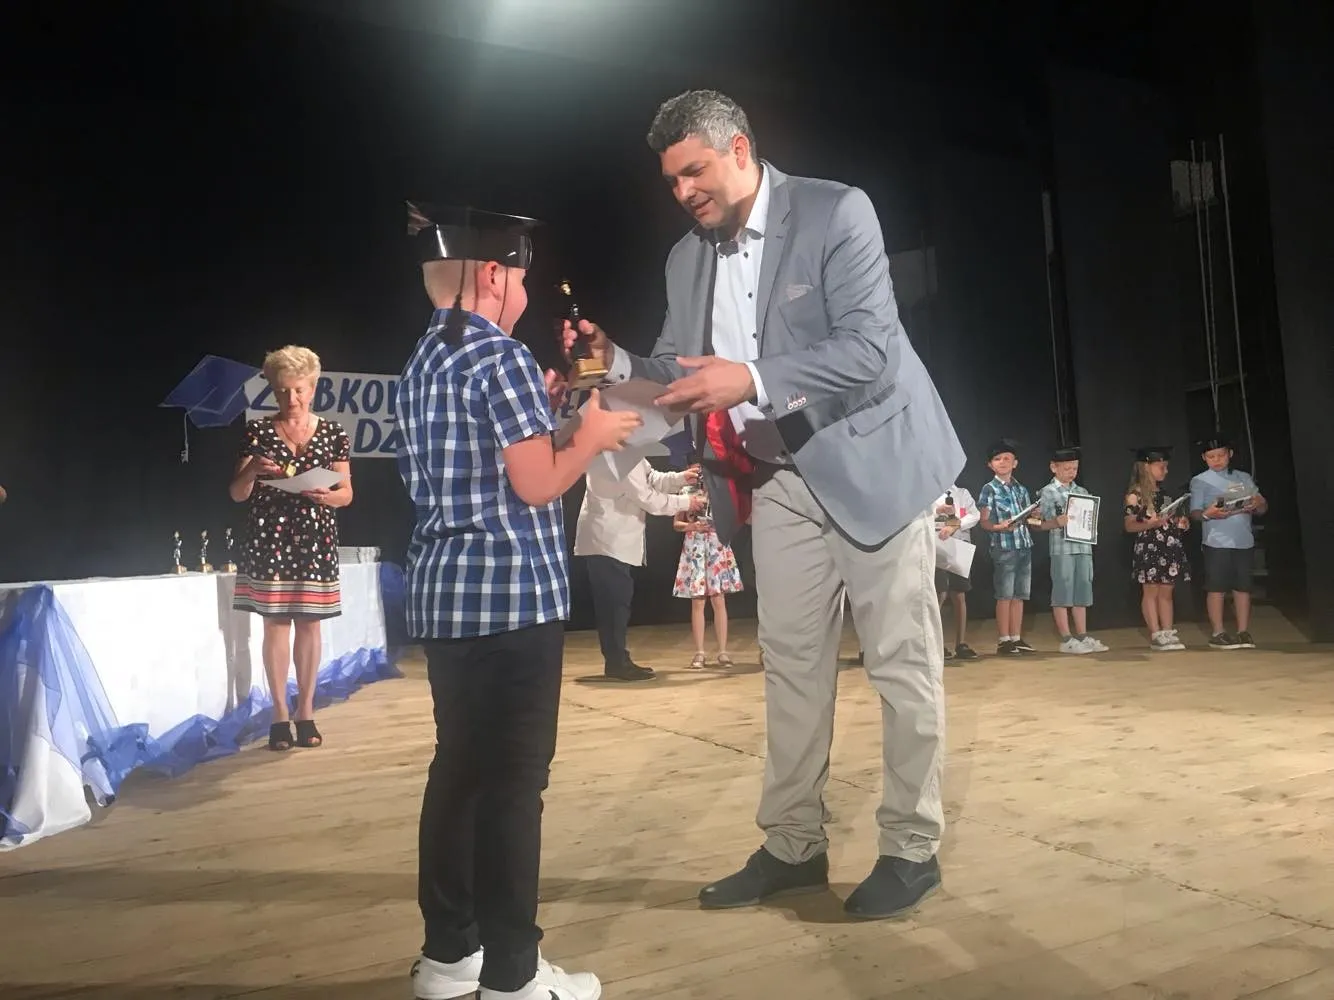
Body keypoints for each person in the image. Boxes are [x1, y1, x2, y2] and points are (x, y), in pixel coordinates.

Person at [563, 90, 964, 920]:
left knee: (900, 663)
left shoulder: (836, 211)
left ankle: (910, 847)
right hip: (777, 477)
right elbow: (679, 372)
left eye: (694, 172)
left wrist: (749, 377)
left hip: (873, 463)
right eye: (671, 181)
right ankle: (793, 846)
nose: (683, 193)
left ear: (739, 150)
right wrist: (617, 361)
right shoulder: (685, 260)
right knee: (790, 666)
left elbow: (870, 348)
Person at [396, 204, 639, 1000]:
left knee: (459, 773)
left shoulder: (424, 358)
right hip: (511, 599)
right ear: (494, 274)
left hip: (447, 597)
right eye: (523, 276)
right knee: (511, 787)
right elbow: (536, 485)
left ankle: (449, 955)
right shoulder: (497, 355)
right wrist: (590, 437)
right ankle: (513, 974)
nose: (528, 291)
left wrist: (555, 412)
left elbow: (489, 462)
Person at [229, 345, 352, 752]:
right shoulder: (258, 431)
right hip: (270, 539)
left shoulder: (334, 432)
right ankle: (280, 713)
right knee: (276, 624)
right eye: (282, 391)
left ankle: (306, 711)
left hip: (316, 538)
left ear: (313, 388)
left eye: (298, 390)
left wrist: (328, 496)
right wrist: (252, 469)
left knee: (310, 624)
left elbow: (347, 493)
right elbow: (238, 493)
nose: (291, 398)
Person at [573, 456, 705, 681]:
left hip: (613, 539)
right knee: (614, 606)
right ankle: (617, 663)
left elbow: (651, 477)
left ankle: (618, 660)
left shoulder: (628, 453)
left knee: (617, 604)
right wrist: (687, 502)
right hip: (608, 539)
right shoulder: (615, 457)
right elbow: (647, 498)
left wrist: (682, 478)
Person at [1190, 435, 1266, 649]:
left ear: (1230, 454)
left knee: (1243, 587)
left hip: (1243, 540)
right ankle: (1218, 632)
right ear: (1204, 458)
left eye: (1221, 455)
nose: (1216, 460)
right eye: (1211, 457)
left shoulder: (1243, 477)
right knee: (1216, 587)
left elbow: (1262, 505)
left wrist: (1257, 505)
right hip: (1216, 541)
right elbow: (1195, 512)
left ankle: (1243, 631)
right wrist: (1209, 513)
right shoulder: (1200, 480)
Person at [1036, 446, 1108, 654]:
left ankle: (1082, 635)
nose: (1071, 472)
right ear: (1054, 468)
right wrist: (1055, 522)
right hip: (1062, 549)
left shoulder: (1082, 492)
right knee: (1063, 590)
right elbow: (1037, 524)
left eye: (1074, 468)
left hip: (1083, 547)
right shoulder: (1047, 492)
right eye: (1066, 468)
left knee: (1082, 590)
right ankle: (1066, 638)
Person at [671, 474, 744, 668]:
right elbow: (676, 524)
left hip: (716, 545)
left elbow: (733, 519)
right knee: (698, 601)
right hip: (695, 546)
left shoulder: (721, 492)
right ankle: (700, 652)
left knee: (719, 599)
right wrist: (692, 526)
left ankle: (723, 652)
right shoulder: (686, 492)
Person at [1124, 445, 1191, 651]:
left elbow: (1172, 518)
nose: (1165, 471)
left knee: (1167, 591)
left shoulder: (1165, 494)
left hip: (1168, 546)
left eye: (1166, 467)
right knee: (1151, 590)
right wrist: (1151, 524)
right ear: (1146, 467)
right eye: (1161, 467)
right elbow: (1129, 525)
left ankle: (1168, 630)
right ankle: (1155, 632)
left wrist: (1181, 523)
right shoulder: (1135, 495)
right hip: (1150, 546)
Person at [977, 439, 1039, 655]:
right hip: (1004, 546)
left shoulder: (1021, 489)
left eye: (1007, 458)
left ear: (1015, 463)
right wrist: (998, 526)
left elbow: (1029, 519)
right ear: (990, 465)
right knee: (1005, 594)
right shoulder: (989, 489)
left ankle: (1016, 637)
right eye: (997, 459)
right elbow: (984, 521)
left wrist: (1035, 515)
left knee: (1019, 594)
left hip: (1024, 544)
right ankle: (1004, 639)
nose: (1002, 462)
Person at [932, 483, 980, 661]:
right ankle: (935, 643)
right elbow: (922, 515)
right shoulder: (930, 492)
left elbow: (974, 514)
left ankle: (961, 643)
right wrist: (937, 511)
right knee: (939, 593)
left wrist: (956, 525)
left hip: (960, 547)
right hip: (938, 546)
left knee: (959, 594)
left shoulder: (962, 493)